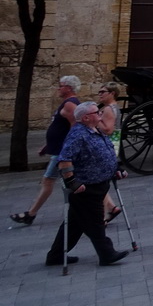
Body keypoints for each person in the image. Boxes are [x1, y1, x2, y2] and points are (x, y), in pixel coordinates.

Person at [45, 101, 130, 266]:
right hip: (85, 188)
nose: (100, 114)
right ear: (85, 118)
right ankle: (107, 253)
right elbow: (64, 160)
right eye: (96, 112)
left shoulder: (95, 130)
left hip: (99, 184)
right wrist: (72, 181)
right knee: (96, 222)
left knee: (75, 223)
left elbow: (106, 151)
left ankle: (55, 255)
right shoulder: (78, 134)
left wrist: (116, 169)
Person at [11, 75, 81, 226]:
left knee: (54, 181)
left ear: (68, 88)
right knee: (62, 181)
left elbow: (75, 128)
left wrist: (67, 149)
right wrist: (48, 145)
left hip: (61, 153)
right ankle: (31, 213)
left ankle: (31, 214)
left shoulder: (70, 104)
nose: (58, 88)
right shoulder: (67, 103)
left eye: (61, 86)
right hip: (58, 150)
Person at [95, 82, 123, 224]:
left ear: (112, 93)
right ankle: (111, 208)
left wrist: (96, 120)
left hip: (107, 144)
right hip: (112, 144)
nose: (100, 94)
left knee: (97, 180)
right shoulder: (112, 108)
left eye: (103, 92)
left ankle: (102, 216)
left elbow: (108, 130)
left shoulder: (108, 109)